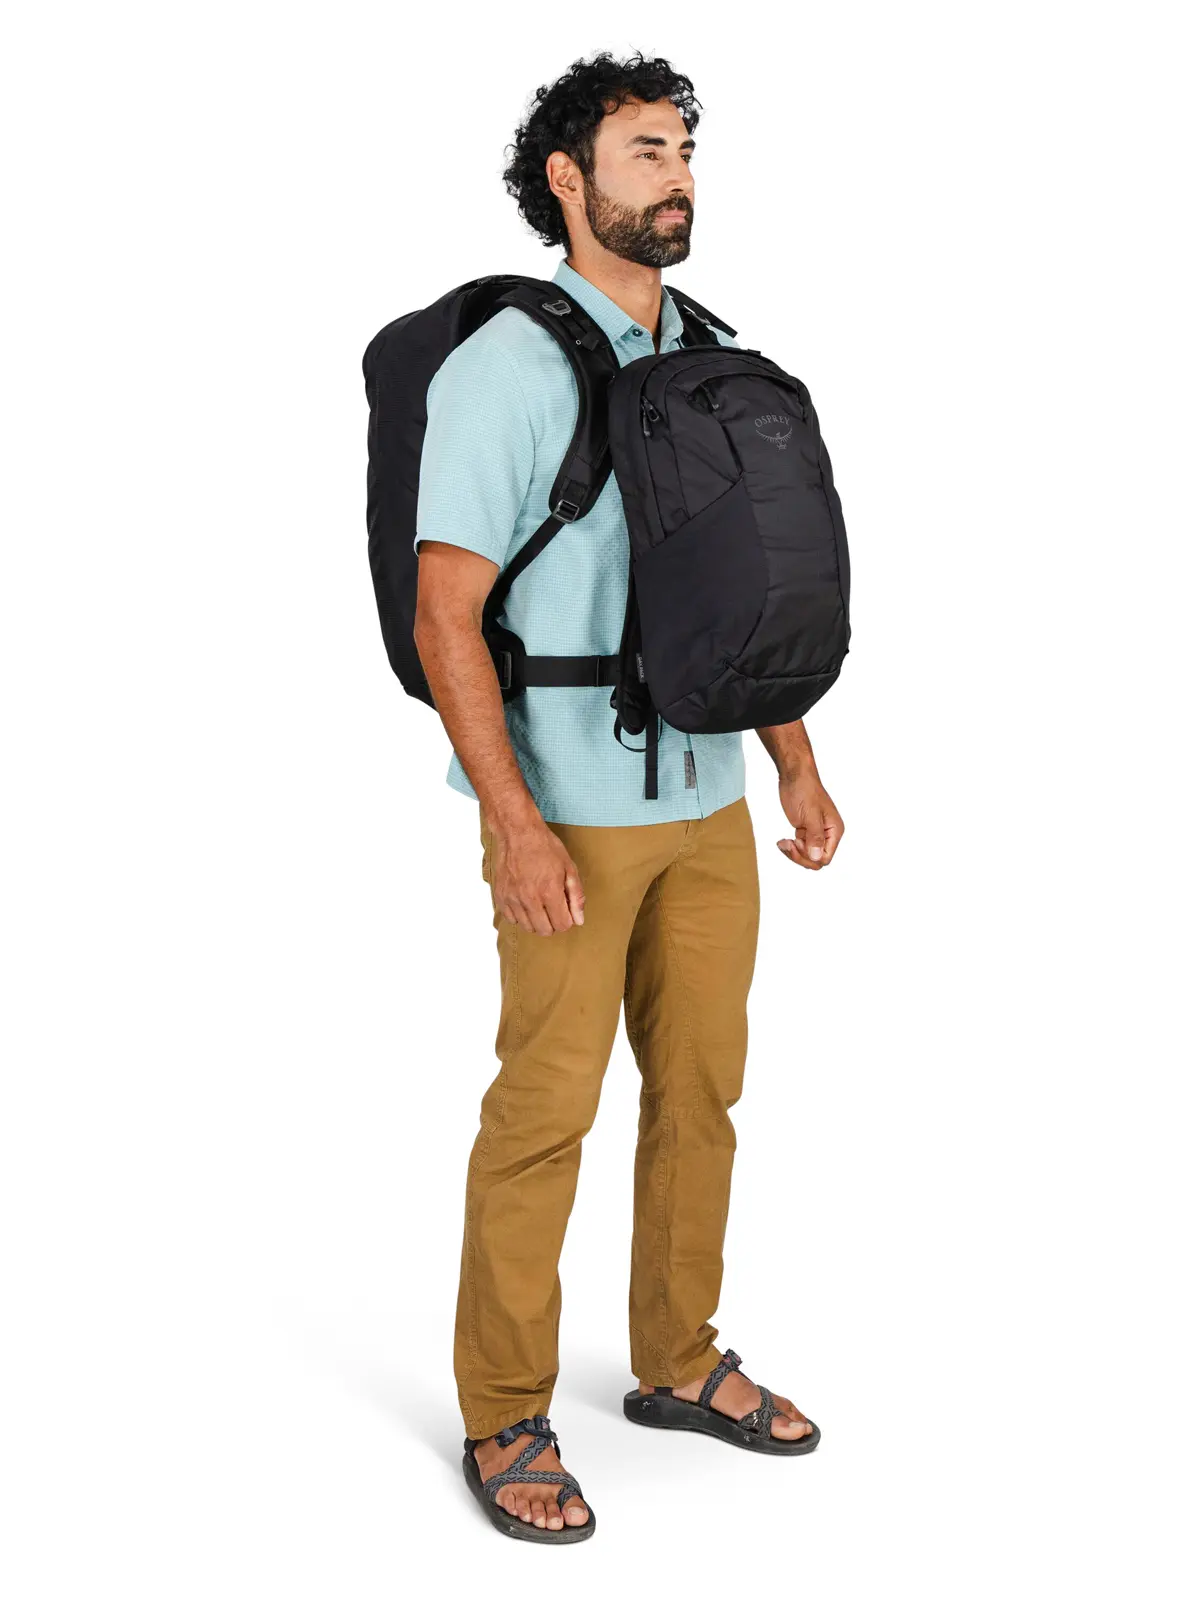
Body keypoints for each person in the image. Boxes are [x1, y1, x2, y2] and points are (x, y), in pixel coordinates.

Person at [412, 50, 844, 1542]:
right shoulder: (505, 370)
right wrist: (512, 820)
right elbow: (446, 616)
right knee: (546, 1108)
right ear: (567, 181)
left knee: (702, 1091)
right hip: (574, 810)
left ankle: (675, 1359)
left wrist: (793, 758)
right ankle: (504, 1410)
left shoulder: (707, 352)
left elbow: (735, 587)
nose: (677, 178)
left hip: (708, 801)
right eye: (645, 152)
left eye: (683, 152)